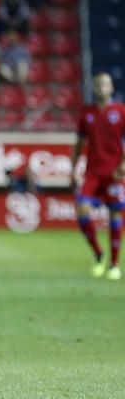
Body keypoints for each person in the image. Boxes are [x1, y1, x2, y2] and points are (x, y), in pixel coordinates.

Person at [70, 72, 125, 280]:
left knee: (115, 215)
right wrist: (73, 170)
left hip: (114, 173)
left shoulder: (121, 111)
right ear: (93, 88)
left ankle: (114, 264)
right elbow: (78, 144)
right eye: (98, 84)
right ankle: (98, 253)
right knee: (82, 208)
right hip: (92, 172)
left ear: (111, 88)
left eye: (105, 84)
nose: (101, 87)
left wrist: (123, 165)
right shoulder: (87, 113)